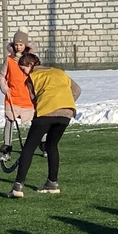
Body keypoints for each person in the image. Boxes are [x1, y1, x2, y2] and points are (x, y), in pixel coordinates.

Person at [8, 53, 81, 198]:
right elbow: (77, 90)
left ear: (30, 65)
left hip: (46, 111)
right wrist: (64, 103)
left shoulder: (32, 77)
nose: (24, 73)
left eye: (23, 69)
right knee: (51, 145)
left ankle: (17, 187)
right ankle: (52, 183)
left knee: (29, 147)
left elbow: (34, 99)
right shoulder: (59, 72)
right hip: (66, 112)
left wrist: (44, 109)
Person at [0, 27, 37, 162]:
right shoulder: (9, 60)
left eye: (21, 44)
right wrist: (4, 87)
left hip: (28, 98)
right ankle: (6, 151)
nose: (18, 47)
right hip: (12, 97)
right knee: (9, 122)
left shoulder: (32, 60)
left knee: (37, 122)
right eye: (16, 44)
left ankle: (43, 146)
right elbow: (1, 75)